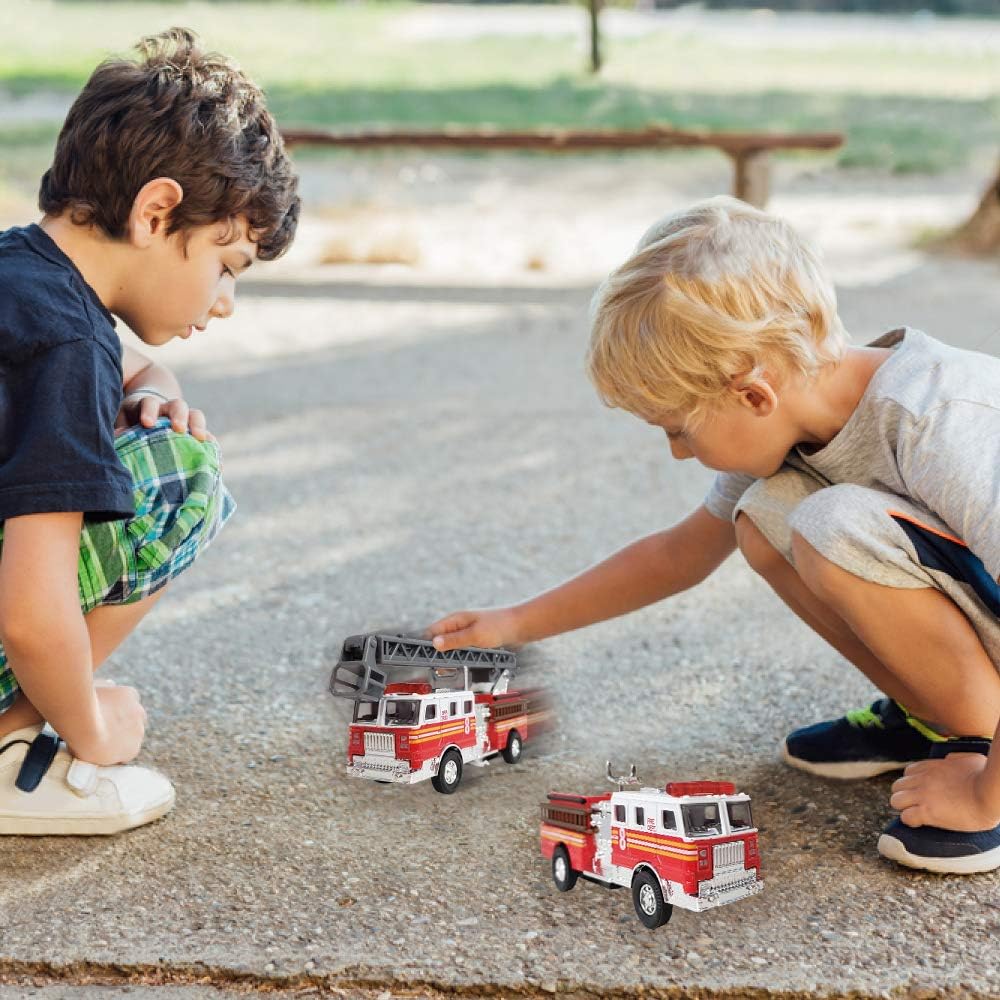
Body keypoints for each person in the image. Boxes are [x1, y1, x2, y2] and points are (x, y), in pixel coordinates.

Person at [428, 196, 1000, 875]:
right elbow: (679, 555)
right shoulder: (791, 423)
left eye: (679, 429)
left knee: (829, 523)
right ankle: (935, 717)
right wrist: (516, 621)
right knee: (761, 517)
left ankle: (977, 744)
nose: (676, 451)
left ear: (754, 394)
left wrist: (984, 797)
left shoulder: (939, 417)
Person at [0, 28, 299, 834]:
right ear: (156, 211)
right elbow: (28, 608)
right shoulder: (69, 346)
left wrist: (151, 379)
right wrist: (92, 728)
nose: (224, 300)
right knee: (179, 475)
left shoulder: (19, 273)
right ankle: (9, 743)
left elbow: (115, 360)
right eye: (226, 264)